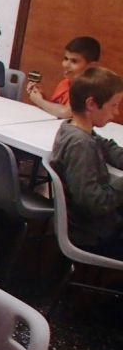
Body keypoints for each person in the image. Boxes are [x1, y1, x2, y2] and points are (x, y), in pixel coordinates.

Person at [49, 67, 123, 260]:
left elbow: (105, 146)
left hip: (88, 225)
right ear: (91, 104)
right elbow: (94, 203)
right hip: (91, 233)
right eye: (114, 105)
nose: (116, 112)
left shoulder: (72, 128)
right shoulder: (81, 144)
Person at [27, 36, 101, 119]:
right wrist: (41, 96)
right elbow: (56, 109)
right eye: (66, 59)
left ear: (91, 66)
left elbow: (66, 113)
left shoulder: (89, 88)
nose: (65, 65)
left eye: (74, 61)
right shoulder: (65, 83)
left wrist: (39, 101)